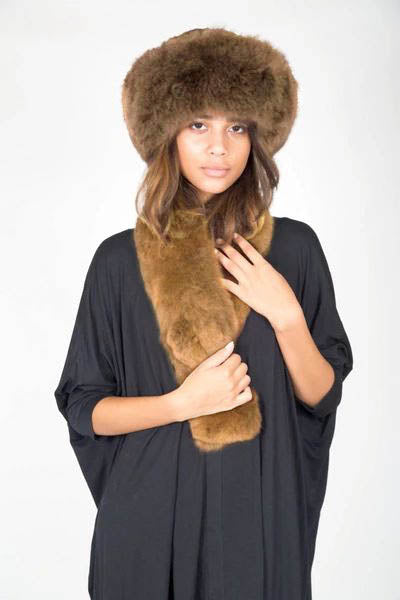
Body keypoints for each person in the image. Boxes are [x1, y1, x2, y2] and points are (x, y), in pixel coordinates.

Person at [54, 27, 353, 600]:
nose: (219, 147)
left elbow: (322, 395)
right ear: (167, 133)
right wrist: (181, 404)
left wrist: (287, 316)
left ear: (256, 137)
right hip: (147, 528)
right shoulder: (118, 262)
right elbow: (84, 407)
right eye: (198, 125)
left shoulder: (294, 249)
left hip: (258, 523)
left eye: (236, 126)